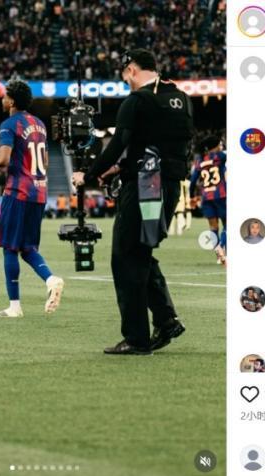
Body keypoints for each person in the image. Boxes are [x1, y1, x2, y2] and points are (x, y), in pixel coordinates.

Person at [72, 49, 194, 355]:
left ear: (132, 70)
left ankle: (137, 339)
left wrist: (89, 175)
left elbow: (119, 143)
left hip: (144, 188)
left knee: (125, 257)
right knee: (140, 253)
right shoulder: (181, 99)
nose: (126, 80)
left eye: (125, 74)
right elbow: (161, 147)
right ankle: (166, 320)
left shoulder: (137, 100)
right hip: (169, 186)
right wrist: (120, 169)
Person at [0, 79, 64, 318]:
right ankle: (51, 279)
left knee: (9, 248)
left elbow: (3, 159)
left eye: (5, 96)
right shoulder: (40, 124)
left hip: (18, 192)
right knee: (27, 248)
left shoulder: (9, 124)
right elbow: (45, 161)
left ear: (12, 101)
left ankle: (15, 306)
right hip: (39, 192)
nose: (2, 99)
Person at [190, 135, 227, 264]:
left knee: (213, 227)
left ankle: (219, 255)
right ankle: (222, 248)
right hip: (221, 196)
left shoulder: (200, 160)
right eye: (220, 144)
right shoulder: (220, 156)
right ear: (215, 146)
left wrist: (191, 196)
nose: (221, 146)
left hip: (206, 197)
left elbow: (193, 181)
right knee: (227, 225)